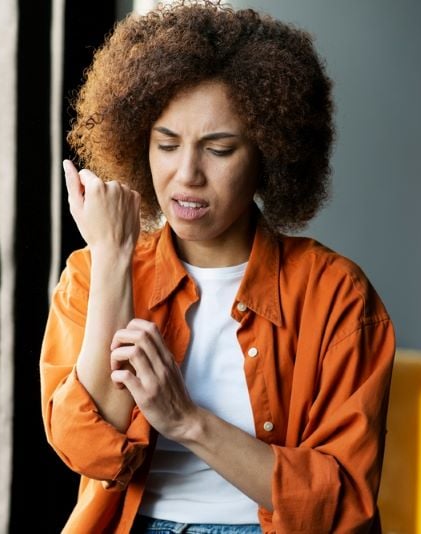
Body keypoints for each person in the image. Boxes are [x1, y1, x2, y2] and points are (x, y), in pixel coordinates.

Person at [39, 2, 395, 532]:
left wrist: (187, 421)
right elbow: (86, 450)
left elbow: (339, 502)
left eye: (220, 149)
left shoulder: (335, 294)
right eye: (166, 144)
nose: (187, 175)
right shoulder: (94, 272)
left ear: (268, 156)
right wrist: (114, 258)